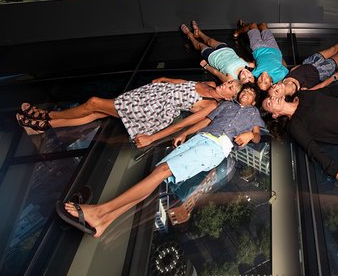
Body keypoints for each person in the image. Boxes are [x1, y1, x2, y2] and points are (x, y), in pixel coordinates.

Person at [55, 84, 264, 237]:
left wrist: (249, 136)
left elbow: (257, 135)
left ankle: (100, 211)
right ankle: (104, 222)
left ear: (254, 101)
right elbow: (204, 122)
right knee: (156, 176)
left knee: (162, 172)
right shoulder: (226, 105)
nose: (246, 93)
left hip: (216, 147)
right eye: (244, 90)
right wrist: (184, 134)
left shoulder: (253, 113)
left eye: (251, 93)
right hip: (200, 139)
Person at [16, 78, 242, 141]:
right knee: (97, 113)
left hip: (149, 109)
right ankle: (41, 127)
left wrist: (153, 138)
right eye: (230, 81)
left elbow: (184, 124)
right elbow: (183, 82)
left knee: (93, 103)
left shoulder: (211, 105)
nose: (227, 84)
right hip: (146, 95)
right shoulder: (211, 84)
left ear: (231, 97)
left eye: (231, 87)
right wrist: (164, 79)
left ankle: (45, 117)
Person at [268, 23, 338, 98]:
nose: (276, 86)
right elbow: (321, 86)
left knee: (333, 49)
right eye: (276, 91)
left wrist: (296, 67)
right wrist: (334, 77)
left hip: (310, 62)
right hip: (322, 71)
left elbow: (289, 69)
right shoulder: (301, 92)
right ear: (282, 97)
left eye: (273, 87)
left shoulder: (282, 80)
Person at [181, 20, 254, 84]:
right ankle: (198, 32)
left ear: (240, 82)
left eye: (244, 78)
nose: (246, 74)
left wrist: (206, 66)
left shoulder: (231, 79)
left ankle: (189, 34)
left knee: (200, 45)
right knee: (210, 40)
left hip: (213, 57)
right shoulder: (249, 65)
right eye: (250, 77)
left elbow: (217, 73)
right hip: (226, 50)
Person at [233, 21, 288, 91]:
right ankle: (245, 28)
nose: (262, 78)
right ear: (271, 84)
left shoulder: (255, 74)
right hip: (274, 48)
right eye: (265, 82)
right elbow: (284, 65)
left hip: (258, 48)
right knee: (263, 25)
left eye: (259, 81)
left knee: (252, 25)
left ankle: (237, 32)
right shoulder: (279, 76)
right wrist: (279, 55)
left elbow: (253, 64)